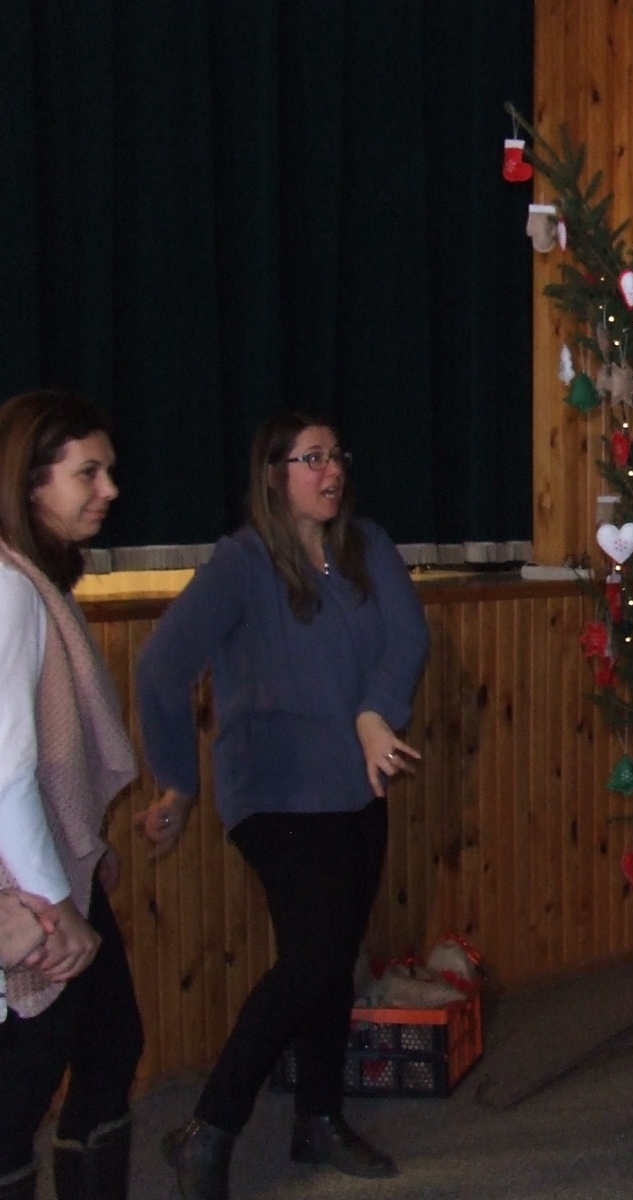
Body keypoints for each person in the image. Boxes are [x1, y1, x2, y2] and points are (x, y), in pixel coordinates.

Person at [135, 413, 428, 1200]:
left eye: (336, 455)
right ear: (273, 474)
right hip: (275, 792)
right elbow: (160, 668)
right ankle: (208, 1130)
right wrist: (178, 781)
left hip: (356, 783)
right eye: (310, 459)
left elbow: (407, 639)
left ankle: (317, 1119)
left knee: (330, 955)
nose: (331, 471)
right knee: (316, 957)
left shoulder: (367, 545)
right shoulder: (242, 563)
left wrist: (375, 713)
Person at [0, 391, 141, 1200]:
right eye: (88, 472)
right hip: (28, 889)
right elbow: (10, 773)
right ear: (29, 483)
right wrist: (58, 906)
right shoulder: (13, 590)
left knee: (113, 1040)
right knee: (18, 1090)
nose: (109, 489)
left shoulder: (31, 580)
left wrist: (85, 846)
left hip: (54, 864)